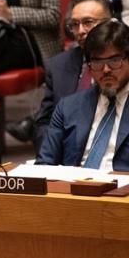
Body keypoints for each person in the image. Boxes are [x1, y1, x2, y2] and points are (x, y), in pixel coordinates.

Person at [6, 0, 112, 147]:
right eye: (75, 25)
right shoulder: (58, 66)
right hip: (64, 153)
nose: (80, 31)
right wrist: (53, 151)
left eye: (88, 22)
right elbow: (43, 122)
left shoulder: (123, 64)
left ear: (109, 23)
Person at [37, 19, 129, 171]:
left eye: (114, 60)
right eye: (98, 62)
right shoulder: (68, 106)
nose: (106, 69)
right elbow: (45, 164)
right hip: (73, 189)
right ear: (89, 67)